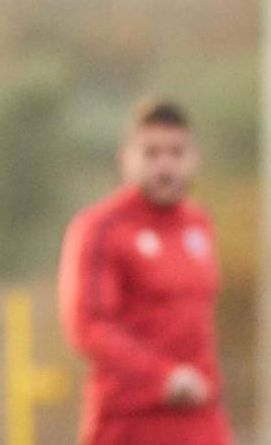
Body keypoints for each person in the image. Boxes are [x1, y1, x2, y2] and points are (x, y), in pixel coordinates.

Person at [58, 99, 233, 445]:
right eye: (152, 153)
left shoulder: (198, 224)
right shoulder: (101, 228)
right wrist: (163, 376)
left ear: (193, 158)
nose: (165, 166)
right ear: (126, 158)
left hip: (200, 415)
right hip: (132, 419)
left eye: (176, 152)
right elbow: (88, 325)